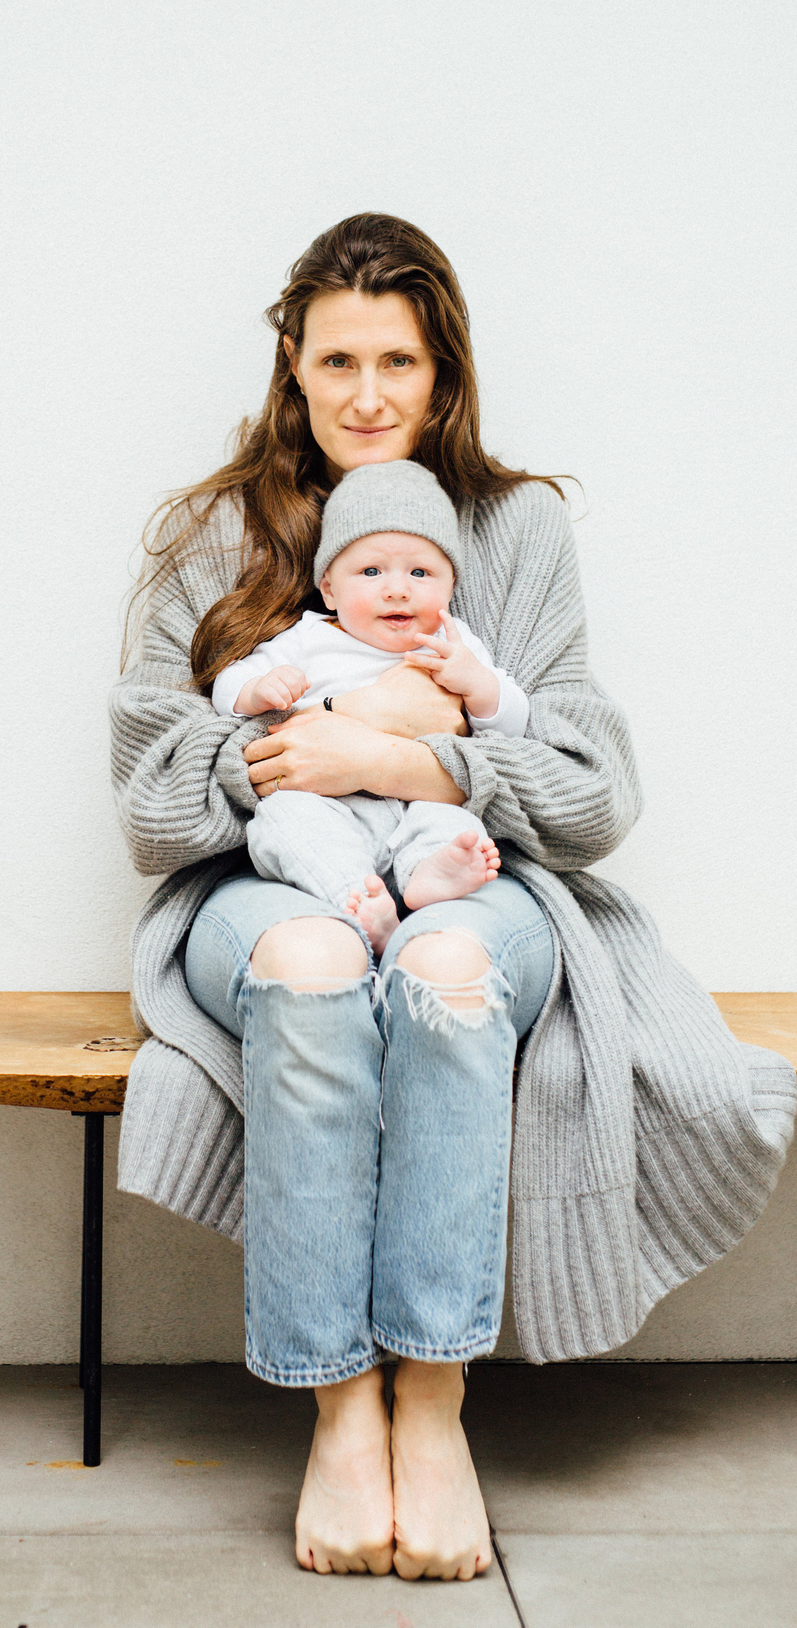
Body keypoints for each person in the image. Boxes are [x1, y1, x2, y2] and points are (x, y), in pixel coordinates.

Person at [108, 211, 791, 1583]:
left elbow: (592, 789)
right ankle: (336, 1405)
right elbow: (145, 795)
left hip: (478, 884)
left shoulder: (515, 527)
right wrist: (297, 752)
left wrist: (409, 756)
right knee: (308, 958)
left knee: (448, 971)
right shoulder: (209, 528)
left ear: (445, 374)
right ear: (291, 366)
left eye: (400, 362)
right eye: (339, 358)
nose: (369, 396)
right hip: (262, 883)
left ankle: (433, 1397)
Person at [213, 459, 520, 952]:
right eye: (371, 570)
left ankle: (430, 877)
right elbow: (228, 685)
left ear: (451, 588)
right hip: (330, 807)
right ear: (329, 589)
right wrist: (259, 690)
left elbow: (513, 722)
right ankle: (359, 900)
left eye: (421, 572)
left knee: (455, 822)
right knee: (282, 821)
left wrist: (480, 685)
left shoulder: (453, 647)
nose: (397, 588)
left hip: (418, 800)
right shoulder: (308, 639)